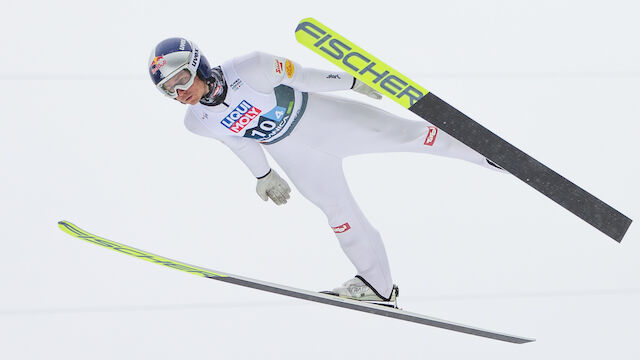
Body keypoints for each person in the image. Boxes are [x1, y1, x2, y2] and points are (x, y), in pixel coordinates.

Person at [148, 37, 504, 306]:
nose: (179, 93)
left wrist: (351, 81)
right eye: (168, 90)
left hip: (326, 120)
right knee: (338, 214)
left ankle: (486, 154)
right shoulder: (197, 122)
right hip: (295, 155)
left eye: (180, 80)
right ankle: (376, 285)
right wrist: (263, 175)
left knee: (410, 136)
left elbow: (303, 77)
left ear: (198, 64)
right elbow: (238, 142)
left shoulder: (251, 67)